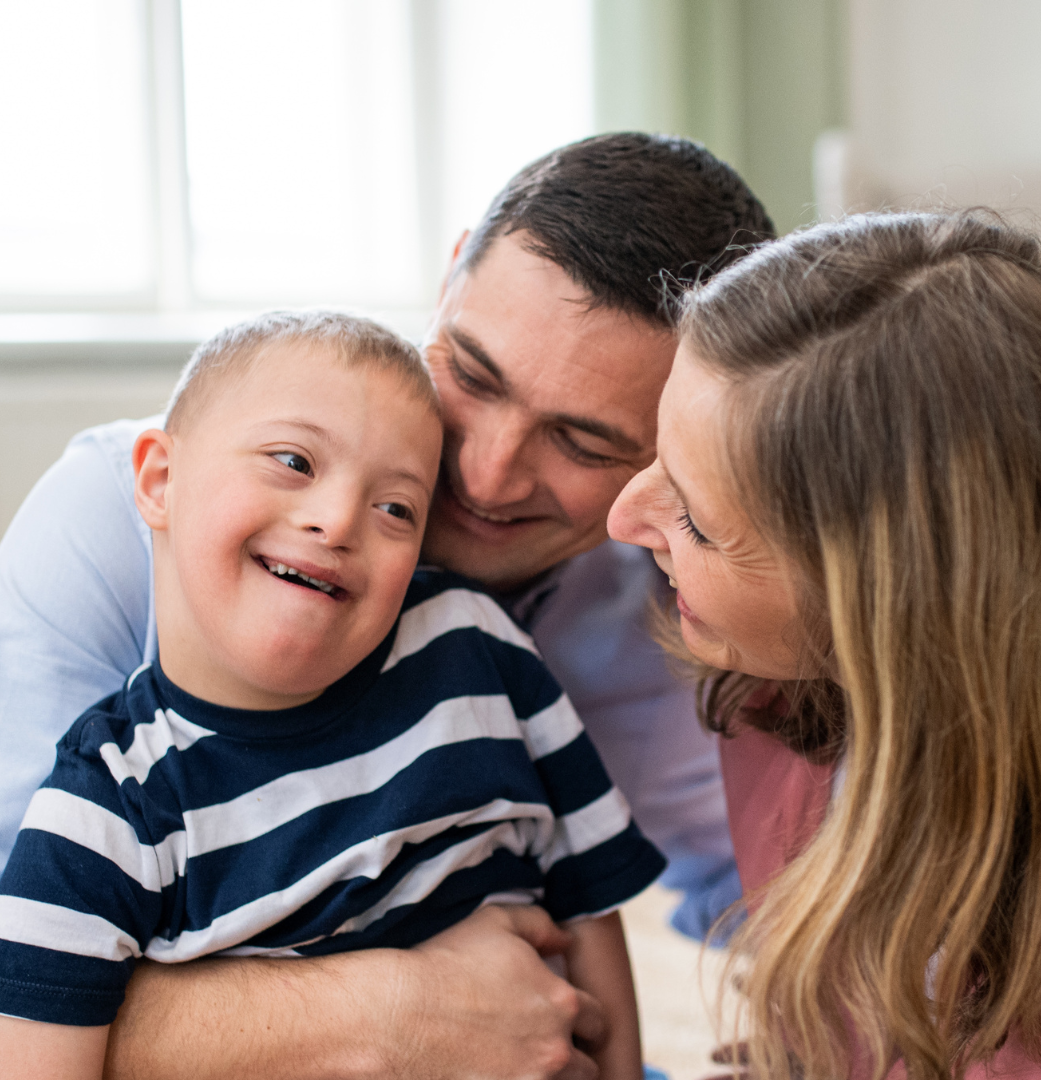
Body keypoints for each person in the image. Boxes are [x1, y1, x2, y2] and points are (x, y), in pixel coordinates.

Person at [0, 133, 774, 1078]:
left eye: (580, 441)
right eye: (476, 376)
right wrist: (389, 1012)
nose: (482, 475)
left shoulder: (669, 608)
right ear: (450, 277)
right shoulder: (131, 522)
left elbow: (795, 890)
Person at [0, 311, 662, 1080]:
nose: (339, 520)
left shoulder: (475, 647)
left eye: (396, 509)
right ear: (159, 481)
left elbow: (592, 897)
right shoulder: (103, 811)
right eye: (292, 460)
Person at [608, 210, 1041, 1080]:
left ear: (883, 606)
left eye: (697, 522)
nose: (623, 518)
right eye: (657, 457)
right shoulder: (766, 693)